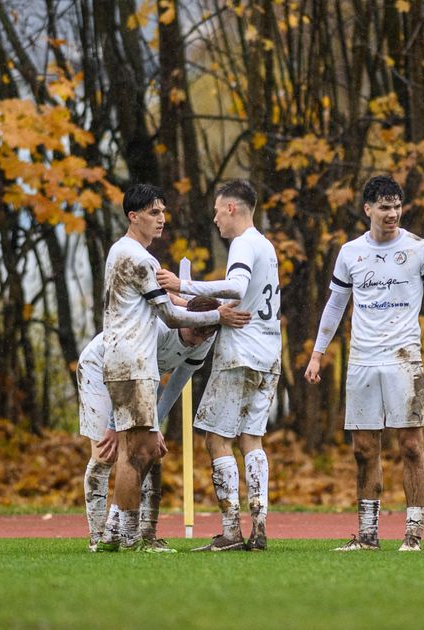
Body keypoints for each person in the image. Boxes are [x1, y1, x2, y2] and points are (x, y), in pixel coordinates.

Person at [304, 174, 424, 552]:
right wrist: (318, 353)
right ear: (368, 209)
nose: (392, 213)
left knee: (410, 445)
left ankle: (413, 534)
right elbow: (335, 305)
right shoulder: (350, 252)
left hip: (403, 355)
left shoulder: (420, 249)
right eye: (385, 207)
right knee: (364, 449)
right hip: (362, 359)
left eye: (397, 206)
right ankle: (368, 536)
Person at [99, 183, 249, 552]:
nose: (161, 218)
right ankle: (128, 536)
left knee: (144, 449)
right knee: (137, 453)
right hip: (134, 359)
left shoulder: (121, 251)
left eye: (163, 211)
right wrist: (219, 314)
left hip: (125, 358)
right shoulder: (139, 258)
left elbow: (167, 304)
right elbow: (167, 312)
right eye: (153, 212)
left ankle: (114, 534)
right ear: (133, 217)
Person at [157, 179, 283, 552]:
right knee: (252, 439)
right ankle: (259, 524)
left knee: (216, 438)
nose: (215, 219)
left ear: (231, 208)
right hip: (269, 352)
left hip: (240, 353)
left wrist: (186, 284)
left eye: (216, 211)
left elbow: (237, 287)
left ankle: (231, 531)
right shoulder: (267, 245)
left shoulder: (243, 243)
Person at [79, 296, 220, 552]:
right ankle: (98, 535)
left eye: (204, 336)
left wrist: (157, 424)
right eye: (193, 331)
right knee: (104, 454)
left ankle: (142, 533)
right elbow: (128, 372)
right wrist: (113, 424)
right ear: (183, 318)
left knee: (147, 452)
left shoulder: (204, 339)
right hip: (102, 369)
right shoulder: (160, 328)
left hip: (140, 379)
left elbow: (176, 383)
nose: (196, 340)